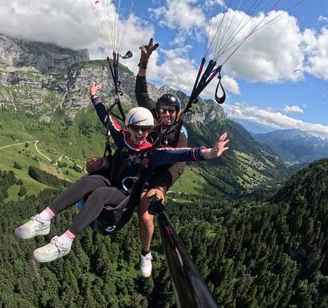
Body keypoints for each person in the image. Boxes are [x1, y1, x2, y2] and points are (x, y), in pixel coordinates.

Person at [15, 83, 229, 263]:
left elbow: (184, 154)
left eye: (145, 129)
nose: (140, 133)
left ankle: (64, 242)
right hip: (111, 180)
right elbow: (106, 119)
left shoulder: (155, 152)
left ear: (150, 130)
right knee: (87, 182)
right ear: (129, 127)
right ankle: (43, 219)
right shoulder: (122, 138)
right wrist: (95, 97)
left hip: (125, 194)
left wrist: (210, 152)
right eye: (136, 128)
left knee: (100, 194)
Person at [134, 38, 188, 277]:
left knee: (146, 216)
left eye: (170, 111)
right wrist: (143, 62)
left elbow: (178, 165)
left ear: (177, 114)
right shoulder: (153, 118)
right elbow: (141, 92)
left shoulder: (180, 134)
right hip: (137, 168)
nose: (164, 114)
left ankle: (145, 253)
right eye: (162, 110)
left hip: (157, 179)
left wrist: (162, 188)